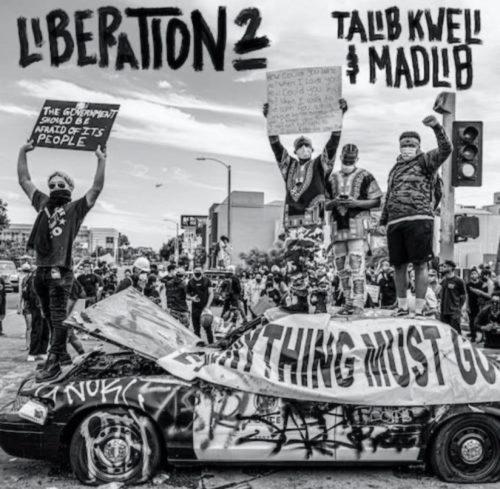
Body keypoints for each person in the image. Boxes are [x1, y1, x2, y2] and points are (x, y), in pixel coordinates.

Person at [18, 140, 106, 381]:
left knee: (58, 317)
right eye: (52, 185)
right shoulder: (42, 204)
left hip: (60, 270)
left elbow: (96, 188)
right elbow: (24, 181)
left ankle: (54, 360)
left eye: (61, 184)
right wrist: (23, 152)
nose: (55, 187)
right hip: (41, 271)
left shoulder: (75, 209)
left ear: (70, 187)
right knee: (48, 317)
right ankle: (61, 357)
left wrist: (101, 160)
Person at [263, 99, 348, 311]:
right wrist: (270, 120)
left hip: (313, 222)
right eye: (299, 147)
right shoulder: (288, 166)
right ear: (295, 151)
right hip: (292, 223)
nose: (303, 149)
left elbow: (333, 145)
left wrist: (339, 118)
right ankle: (300, 300)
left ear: (312, 149)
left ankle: (321, 301)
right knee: (293, 263)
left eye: (306, 146)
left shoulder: (320, 165)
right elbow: (276, 146)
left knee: (316, 261)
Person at [379, 113, 452, 317]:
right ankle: (402, 307)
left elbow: (446, 149)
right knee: (398, 265)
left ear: (418, 146)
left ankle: (419, 309)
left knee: (420, 264)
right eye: (404, 144)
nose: (407, 147)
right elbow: (389, 195)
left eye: (411, 144)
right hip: (395, 221)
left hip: (419, 219)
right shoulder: (394, 169)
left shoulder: (426, 160)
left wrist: (437, 128)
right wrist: (383, 220)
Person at [326, 144, 382, 315]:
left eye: (351, 159)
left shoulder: (366, 176)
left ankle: (358, 303)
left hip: (357, 226)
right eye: (346, 159)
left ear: (357, 159)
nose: (348, 161)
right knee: (341, 267)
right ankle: (348, 301)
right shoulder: (331, 178)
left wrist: (356, 203)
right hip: (337, 226)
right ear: (340, 157)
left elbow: (377, 201)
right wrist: (335, 202)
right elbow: (324, 203)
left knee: (357, 265)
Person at [187, 267, 214, 342]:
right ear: (193, 271)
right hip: (195, 308)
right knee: (196, 329)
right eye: (196, 271)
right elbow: (186, 295)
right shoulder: (190, 282)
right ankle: (199, 345)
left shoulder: (207, 281)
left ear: (202, 272)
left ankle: (211, 344)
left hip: (205, 308)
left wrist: (207, 306)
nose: (197, 272)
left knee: (208, 328)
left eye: (199, 271)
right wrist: (192, 298)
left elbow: (211, 293)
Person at [439, 260, 467, 333]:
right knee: (445, 333)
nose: (443, 268)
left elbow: (463, 296)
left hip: (454, 312)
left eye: (445, 267)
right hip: (444, 312)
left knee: (455, 332)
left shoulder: (459, 281)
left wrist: (459, 308)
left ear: (451, 268)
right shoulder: (444, 281)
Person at [466, 268, 488, 342]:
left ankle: (481, 337)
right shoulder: (468, 285)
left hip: (480, 306)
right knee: (472, 321)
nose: (473, 275)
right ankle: (473, 336)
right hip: (471, 305)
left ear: (478, 275)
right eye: (472, 274)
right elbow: (467, 296)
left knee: (480, 321)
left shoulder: (482, 284)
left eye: (475, 273)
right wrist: (467, 306)